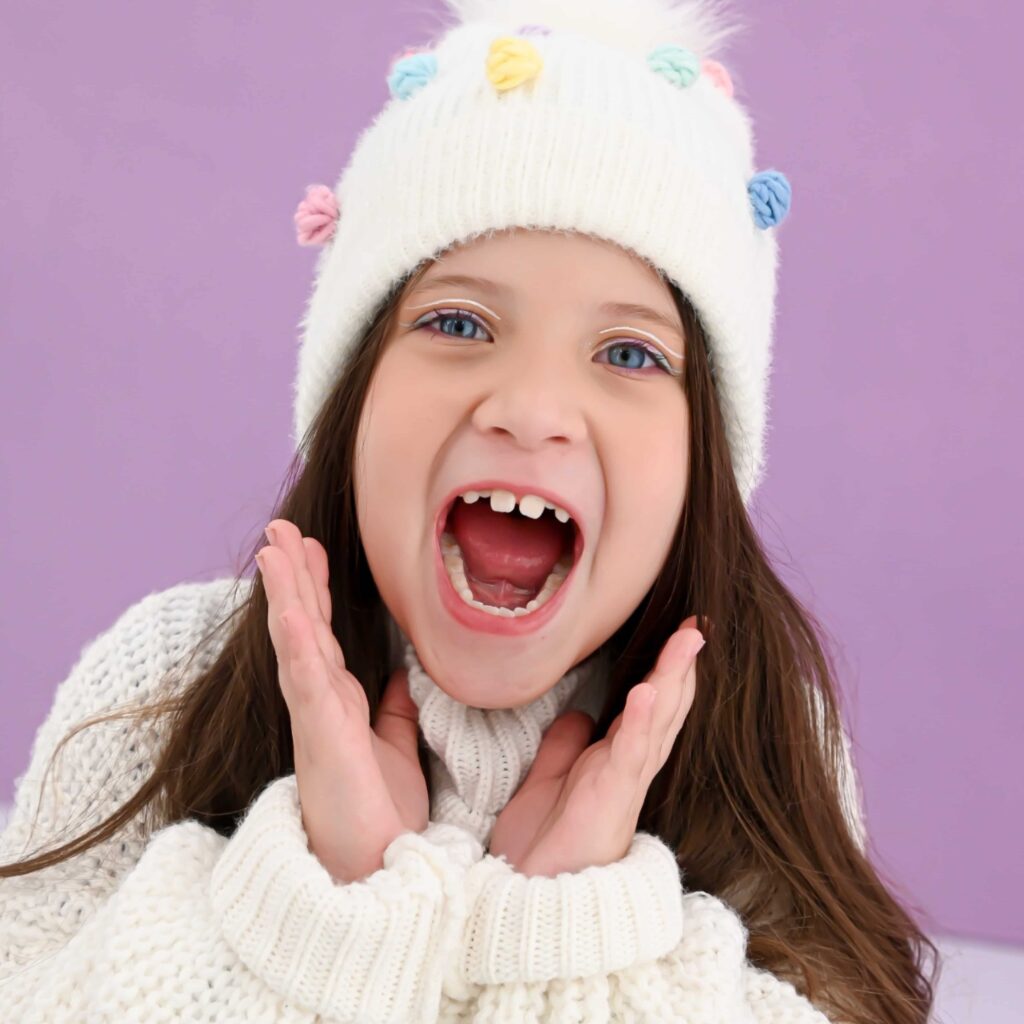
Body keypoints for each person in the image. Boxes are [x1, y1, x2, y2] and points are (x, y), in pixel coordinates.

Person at [0, 0, 938, 1021]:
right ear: (351, 396)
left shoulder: (753, 728)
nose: (532, 411)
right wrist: (330, 908)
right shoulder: (168, 677)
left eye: (628, 352)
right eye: (458, 320)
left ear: (703, 458)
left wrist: (560, 943)